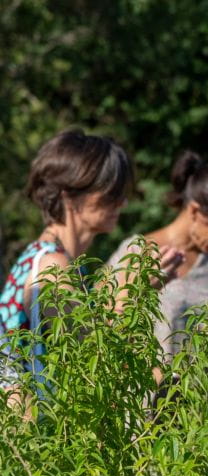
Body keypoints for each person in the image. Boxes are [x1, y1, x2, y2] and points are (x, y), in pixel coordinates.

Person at [0, 129, 134, 376]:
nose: (122, 203)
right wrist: (135, 292)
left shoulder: (50, 258)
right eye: (112, 194)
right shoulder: (54, 266)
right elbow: (92, 363)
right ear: (71, 195)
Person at [107, 151, 208, 358]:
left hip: (199, 389)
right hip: (146, 388)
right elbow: (103, 329)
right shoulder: (136, 252)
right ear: (196, 211)